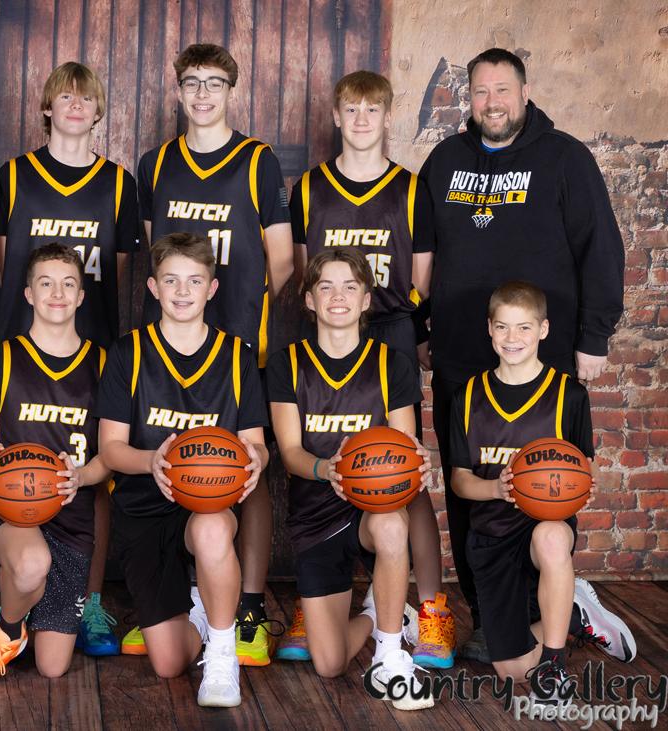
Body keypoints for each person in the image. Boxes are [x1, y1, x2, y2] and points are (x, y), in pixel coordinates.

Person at [413, 47, 625, 663]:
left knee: (547, 482)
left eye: (502, 90)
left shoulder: (565, 158)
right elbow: (424, 253)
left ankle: (552, 602)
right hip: (463, 355)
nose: (492, 103)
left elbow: (601, 248)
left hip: (543, 358)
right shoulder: (445, 162)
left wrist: (593, 336)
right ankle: (490, 614)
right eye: (480, 91)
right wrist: (424, 327)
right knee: (472, 487)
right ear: (469, 98)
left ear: (525, 93)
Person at [285, 70, 450, 668]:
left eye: (371, 110)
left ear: (387, 117)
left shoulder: (410, 189)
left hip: (389, 329)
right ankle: (314, 599)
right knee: (317, 448)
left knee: (403, 472)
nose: (360, 120)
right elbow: (304, 269)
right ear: (336, 116)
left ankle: (429, 610)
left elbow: (423, 275)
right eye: (350, 109)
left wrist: (407, 328)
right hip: (328, 327)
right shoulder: (309, 188)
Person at [135, 42, 292, 666]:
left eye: (215, 83)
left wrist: (257, 330)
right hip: (173, 343)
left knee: (245, 469)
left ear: (231, 91)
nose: (202, 94)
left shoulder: (257, 161)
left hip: (239, 343)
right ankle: (186, 601)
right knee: (180, 459)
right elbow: (155, 255)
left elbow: (283, 260)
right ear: (178, 90)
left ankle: (248, 602)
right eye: (192, 82)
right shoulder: (155, 164)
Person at [0, 62, 139, 656]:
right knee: (19, 465)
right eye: (65, 96)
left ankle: (90, 602)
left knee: (92, 474)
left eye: (86, 98)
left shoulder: (119, 183)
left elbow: (115, 274)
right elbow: (6, 262)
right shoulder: (13, 176)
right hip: (27, 342)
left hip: (90, 345)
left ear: (98, 111)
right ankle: (16, 589)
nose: (76, 105)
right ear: (48, 108)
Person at [97, 233, 268, 707]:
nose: (182, 290)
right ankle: (200, 611)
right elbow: (110, 449)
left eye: (194, 280)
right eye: (171, 280)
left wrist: (255, 460)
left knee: (212, 529)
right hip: (144, 507)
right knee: (168, 663)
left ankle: (223, 652)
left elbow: (256, 444)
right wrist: (151, 461)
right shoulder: (128, 352)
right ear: (153, 287)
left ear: (212, 288)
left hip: (209, 502)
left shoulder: (236, 356)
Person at [449, 281, 634, 705]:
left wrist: (574, 488)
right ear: (489, 329)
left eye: (524, 327)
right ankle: (573, 614)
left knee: (551, 534)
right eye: (502, 327)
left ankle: (553, 664)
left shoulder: (569, 395)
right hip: (491, 537)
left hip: (543, 530)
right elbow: (459, 480)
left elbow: (584, 472)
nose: (512, 338)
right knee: (512, 671)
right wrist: (496, 488)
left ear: (544, 329)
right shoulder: (467, 396)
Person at [266, 249, 434, 711]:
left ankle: (390, 657)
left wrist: (414, 463)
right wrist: (329, 470)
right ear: (309, 300)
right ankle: (381, 615)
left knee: (392, 524)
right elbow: (290, 453)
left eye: (349, 287)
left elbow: (404, 447)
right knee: (329, 662)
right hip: (315, 515)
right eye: (326, 287)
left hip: (370, 508)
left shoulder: (392, 363)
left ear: (365, 300)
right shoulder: (287, 363)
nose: (337, 296)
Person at [0, 244, 110, 689]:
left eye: (68, 284)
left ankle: (22, 606)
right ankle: (7, 628)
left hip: (73, 515)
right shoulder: (2, 358)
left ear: (81, 296)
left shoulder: (103, 363)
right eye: (46, 283)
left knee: (52, 667)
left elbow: (110, 456)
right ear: (28, 294)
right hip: (11, 509)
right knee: (30, 563)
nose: (57, 294)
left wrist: (81, 476)